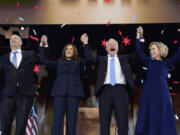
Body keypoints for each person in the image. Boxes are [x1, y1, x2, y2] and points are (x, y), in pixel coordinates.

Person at [82, 33, 136, 135]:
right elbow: (89, 59)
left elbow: (138, 54)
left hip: (121, 90)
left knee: (123, 122)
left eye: (114, 44)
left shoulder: (124, 58)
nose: (112, 45)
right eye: (109, 44)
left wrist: (140, 38)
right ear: (106, 48)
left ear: (118, 48)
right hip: (105, 91)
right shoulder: (101, 59)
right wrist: (85, 43)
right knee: (104, 122)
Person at [39, 34, 91, 135]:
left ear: (74, 51)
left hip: (74, 94)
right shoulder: (59, 62)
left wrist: (85, 44)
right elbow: (43, 60)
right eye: (67, 49)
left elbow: (89, 60)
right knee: (57, 121)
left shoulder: (78, 62)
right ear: (64, 51)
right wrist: (43, 46)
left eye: (71, 49)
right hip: (59, 94)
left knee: (71, 122)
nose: (68, 50)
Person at [135, 26, 179, 135]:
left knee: (162, 115)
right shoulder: (148, 62)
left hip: (162, 94)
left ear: (160, 50)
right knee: (150, 115)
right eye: (150, 50)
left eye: (153, 49)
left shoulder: (166, 63)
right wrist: (139, 36)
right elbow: (138, 51)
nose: (151, 51)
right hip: (148, 94)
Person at [0, 33, 41, 135]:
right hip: (8, 95)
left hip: (25, 95)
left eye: (15, 38)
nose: (12, 40)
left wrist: (44, 46)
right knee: (5, 124)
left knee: (21, 125)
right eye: (11, 39)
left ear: (21, 42)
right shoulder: (3, 58)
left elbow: (43, 59)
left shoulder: (30, 54)